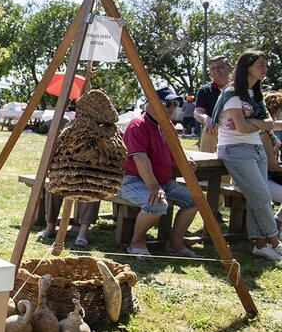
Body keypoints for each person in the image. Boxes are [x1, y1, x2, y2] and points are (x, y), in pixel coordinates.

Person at [210, 50, 282, 262]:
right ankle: (275, 242)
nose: (265, 69)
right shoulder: (233, 94)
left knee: (255, 197)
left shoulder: (255, 94)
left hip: (256, 149)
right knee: (262, 196)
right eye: (260, 65)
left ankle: (260, 246)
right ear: (247, 67)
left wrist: (252, 122)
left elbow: (269, 124)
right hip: (236, 150)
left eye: (265, 65)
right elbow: (241, 128)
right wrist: (256, 124)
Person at [117, 86, 199, 257]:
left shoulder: (168, 125)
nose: (172, 108)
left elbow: (176, 150)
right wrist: (154, 187)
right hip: (132, 180)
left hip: (162, 182)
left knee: (195, 200)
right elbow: (140, 159)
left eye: (175, 104)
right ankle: (136, 244)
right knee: (157, 204)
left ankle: (175, 244)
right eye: (168, 103)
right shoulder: (138, 124)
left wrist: (186, 160)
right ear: (152, 103)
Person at [194, 56, 231, 153]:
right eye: (213, 68)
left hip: (236, 127)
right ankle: (206, 159)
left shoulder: (239, 87)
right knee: (209, 129)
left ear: (229, 67)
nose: (216, 70)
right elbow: (197, 112)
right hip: (214, 129)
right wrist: (206, 119)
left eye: (220, 67)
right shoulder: (205, 90)